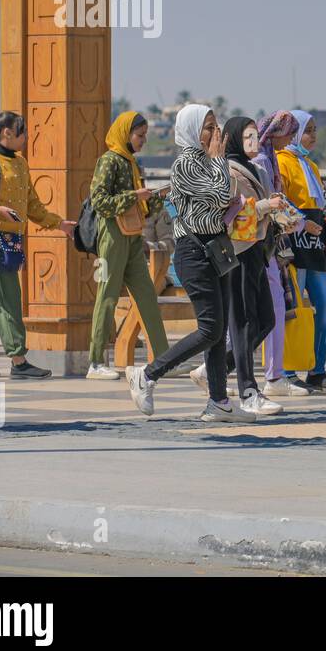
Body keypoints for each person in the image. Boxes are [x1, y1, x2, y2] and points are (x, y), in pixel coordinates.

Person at [126, 105, 253, 423]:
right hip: (194, 253)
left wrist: (217, 163)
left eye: (215, 127)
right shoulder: (185, 164)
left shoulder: (206, 161)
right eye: (208, 128)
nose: (215, 134)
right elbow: (221, 194)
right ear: (191, 130)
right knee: (210, 329)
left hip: (216, 249)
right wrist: (221, 160)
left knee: (218, 328)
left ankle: (218, 401)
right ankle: (148, 374)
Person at [0, 111, 76, 378]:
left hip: (12, 239)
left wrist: (58, 223)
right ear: (7, 134)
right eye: (22, 132)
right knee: (9, 298)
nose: (26, 137)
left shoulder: (21, 163)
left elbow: (33, 205)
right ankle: (18, 360)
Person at [188, 117, 285, 416]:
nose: (254, 142)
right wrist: (267, 207)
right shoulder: (228, 169)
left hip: (257, 248)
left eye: (256, 136)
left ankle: (214, 369)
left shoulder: (256, 168)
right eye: (248, 137)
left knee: (266, 319)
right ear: (232, 139)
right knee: (243, 322)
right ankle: (248, 391)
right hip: (238, 250)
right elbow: (232, 208)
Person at [86, 111, 170, 380]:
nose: (144, 140)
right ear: (126, 134)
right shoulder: (109, 161)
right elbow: (99, 201)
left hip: (133, 235)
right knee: (107, 295)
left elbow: (141, 207)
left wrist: (157, 197)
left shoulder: (131, 163)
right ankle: (96, 361)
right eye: (140, 135)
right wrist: (135, 195)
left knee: (147, 296)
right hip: (111, 236)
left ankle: (165, 358)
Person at [275, 110, 326, 394]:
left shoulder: (310, 166)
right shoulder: (281, 162)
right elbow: (280, 202)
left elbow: (315, 203)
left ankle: (316, 370)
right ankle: (288, 370)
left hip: (314, 244)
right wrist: (303, 223)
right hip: (294, 241)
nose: (313, 136)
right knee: (295, 306)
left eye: (315, 130)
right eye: (308, 130)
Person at [253, 110, 309, 397]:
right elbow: (271, 204)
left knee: (271, 309)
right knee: (270, 310)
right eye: (288, 132)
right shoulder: (263, 161)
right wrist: (299, 222)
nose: (290, 138)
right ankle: (272, 376)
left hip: (270, 245)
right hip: (265, 245)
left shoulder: (269, 158)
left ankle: (274, 375)